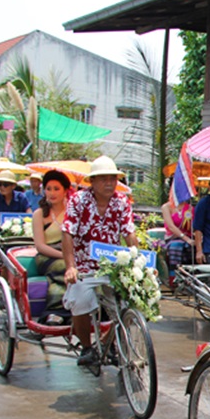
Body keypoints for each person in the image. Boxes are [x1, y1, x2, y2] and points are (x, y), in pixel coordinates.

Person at [62, 156, 138, 372]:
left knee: (129, 303)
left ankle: (106, 342)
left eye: (112, 179)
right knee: (80, 299)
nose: (108, 183)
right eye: (103, 179)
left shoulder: (122, 202)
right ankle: (87, 347)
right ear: (92, 182)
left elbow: (129, 233)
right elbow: (67, 233)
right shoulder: (78, 201)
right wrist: (70, 266)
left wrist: (137, 260)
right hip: (84, 265)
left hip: (112, 266)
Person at [32, 170, 72, 324]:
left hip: (69, 252)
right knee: (65, 266)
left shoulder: (72, 211)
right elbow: (40, 246)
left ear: (65, 191)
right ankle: (56, 311)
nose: (52, 193)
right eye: (48, 189)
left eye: (56, 189)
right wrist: (65, 256)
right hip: (47, 256)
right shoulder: (39, 214)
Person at [160, 195, 194, 275]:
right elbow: (171, 227)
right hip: (173, 238)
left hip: (188, 237)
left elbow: (193, 227)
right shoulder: (166, 207)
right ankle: (173, 276)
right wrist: (186, 238)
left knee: (191, 248)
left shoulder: (190, 208)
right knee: (176, 246)